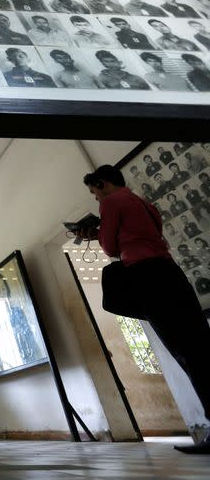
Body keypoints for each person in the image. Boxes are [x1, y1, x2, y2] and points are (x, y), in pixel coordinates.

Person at [79, 165, 210, 454]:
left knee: (185, 353)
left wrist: (98, 234)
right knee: (200, 347)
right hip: (170, 273)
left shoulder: (112, 203)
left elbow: (112, 248)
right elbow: (147, 235)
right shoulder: (144, 204)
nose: (98, 201)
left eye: (95, 193)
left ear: (103, 184)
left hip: (147, 277)